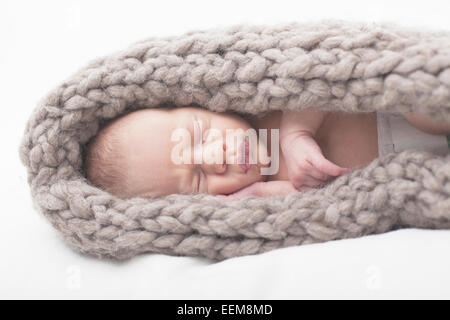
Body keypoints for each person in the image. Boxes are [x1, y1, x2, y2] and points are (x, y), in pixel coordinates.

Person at [83, 105, 450, 200]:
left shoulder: (265, 113)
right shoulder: (256, 196)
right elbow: (317, 204)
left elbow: (319, 80)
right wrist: (264, 192)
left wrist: (296, 133)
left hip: (396, 112)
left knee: (427, 108)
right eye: (197, 178)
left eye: (199, 132)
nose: (216, 157)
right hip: (417, 168)